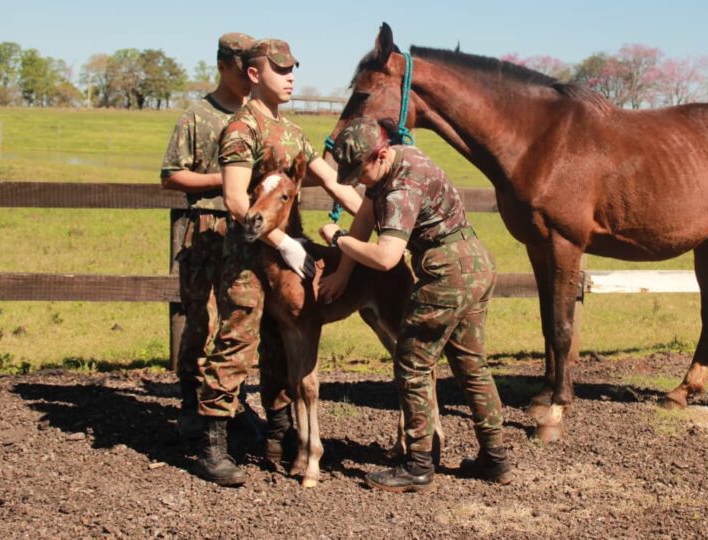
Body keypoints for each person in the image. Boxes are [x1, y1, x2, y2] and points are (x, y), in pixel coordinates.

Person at [195, 38, 362, 486]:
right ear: (254, 74)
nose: (290, 78)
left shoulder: (292, 132)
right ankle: (212, 445)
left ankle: (279, 436)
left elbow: (335, 184)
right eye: (280, 70)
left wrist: (379, 221)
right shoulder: (241, 128)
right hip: (248, 258)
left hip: (288, 260)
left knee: (280, 350)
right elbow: (235, 199)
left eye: (292, 70)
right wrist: (282, 241)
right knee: (237, 343)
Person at [319, 117, 512, 493]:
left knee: (412, 363)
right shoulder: (401, 158)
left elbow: (386, 257)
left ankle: (418, 465)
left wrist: (338, 239)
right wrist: (342, 274)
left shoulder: (401, 188)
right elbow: (365, 215)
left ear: (380, 155)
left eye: (361, 172)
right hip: (475, 262)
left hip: (446, 273)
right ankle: (496, 459)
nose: (360, 181)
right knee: (472, 366)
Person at [160, 33, 262, 441]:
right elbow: (172, 175)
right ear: (222, 66)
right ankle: (192, 402)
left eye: (254, 70)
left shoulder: (258, 116)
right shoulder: (197, 115)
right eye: (242, 70)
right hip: (206, 228)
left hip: (248, 232)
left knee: (242, 320)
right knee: (201, 318)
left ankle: (233, 402)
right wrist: (225, 180)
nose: (249, 78)